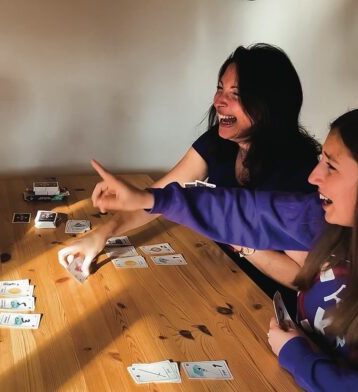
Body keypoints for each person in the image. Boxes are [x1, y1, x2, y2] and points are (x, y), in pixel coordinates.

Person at [89, 103, 358, 390]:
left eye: (331, 167)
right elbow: (242, 210)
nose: (314, 176)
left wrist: (299, 357)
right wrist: (150, 199)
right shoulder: (321, 218)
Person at [58, 43, 320, 311]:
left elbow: (303, 278)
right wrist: (101, 235)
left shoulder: (299, 171)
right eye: (220, 88)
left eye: (236, 93)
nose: (219, 101)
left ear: (269, 105)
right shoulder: (218, 143)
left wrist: (239, 240)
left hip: (267, 305)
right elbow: (156, 200)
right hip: (218, 277)